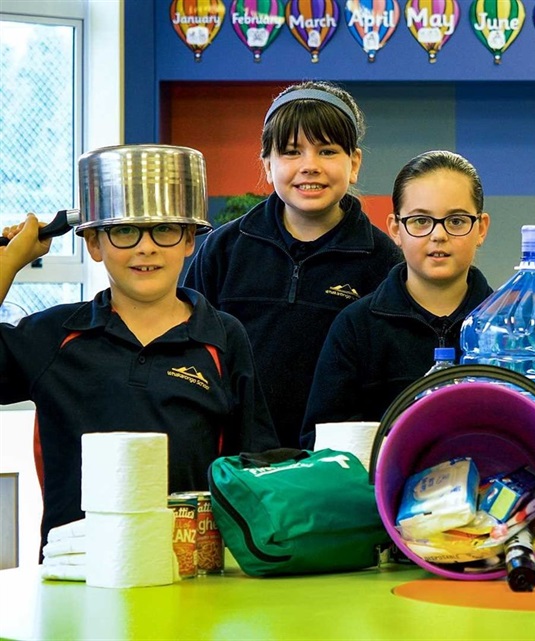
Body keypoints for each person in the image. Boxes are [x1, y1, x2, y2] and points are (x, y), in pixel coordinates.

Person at [1, 206, 277, 551]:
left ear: (189, 240)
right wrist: (7, 264)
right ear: (94, 244)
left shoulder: (223, 337)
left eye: (163, 229)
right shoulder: (54, 335)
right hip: (78, 572)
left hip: (193, 573)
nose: (146, 247)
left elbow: (253, 465)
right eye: (124, 231)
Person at [184, 81, 401, 448]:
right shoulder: (223, 250)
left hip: (337, 469)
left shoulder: (383, 262)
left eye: (328, 151)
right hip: (237, 466)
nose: (309, 167)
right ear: (267, 165)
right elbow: (189, 359)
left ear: (354, 164)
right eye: (290, 152)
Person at [300, 150, 494, 447]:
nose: (438, 235)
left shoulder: (506, 329)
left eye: (455, 221)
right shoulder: (356, 328)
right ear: (395, 229)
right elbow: (321, 443)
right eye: (420, 221)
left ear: (480, 228)